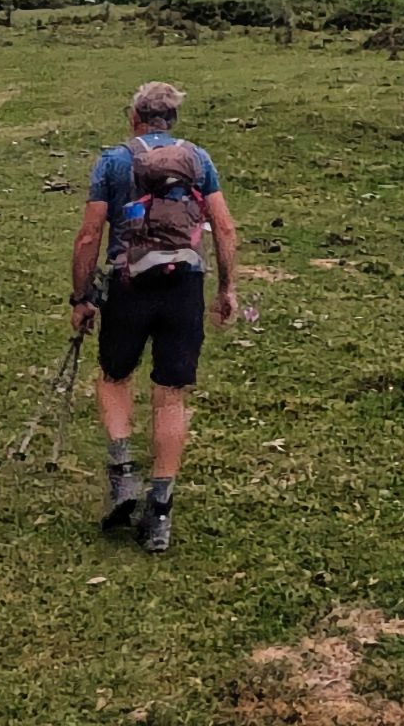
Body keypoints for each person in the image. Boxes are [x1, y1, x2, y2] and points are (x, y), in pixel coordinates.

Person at [70, 80, 239, 550]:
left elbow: (88, 236)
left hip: (129, 284)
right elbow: (223, 227)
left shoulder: (114, 160)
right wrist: (226, 287)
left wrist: (81, 297)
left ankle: (123, 474)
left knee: (114, 376)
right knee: (170, 395)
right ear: (173, 120)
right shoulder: (199, 160)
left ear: (134, 117)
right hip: (184, 286)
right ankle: (160, 510)